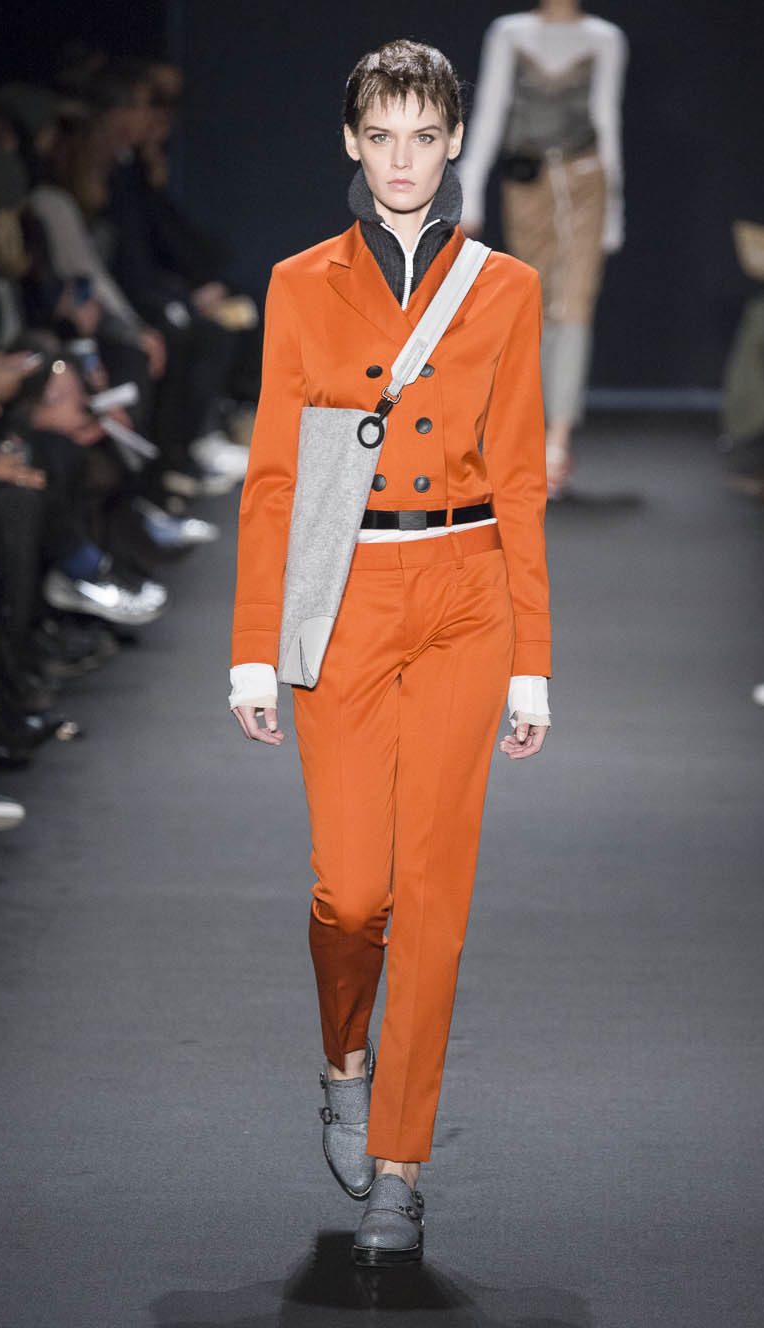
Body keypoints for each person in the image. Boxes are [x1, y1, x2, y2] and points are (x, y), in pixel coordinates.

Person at [230, 39, 551, 1266]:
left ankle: (400, 1165)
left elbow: (518, 477)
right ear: (351, 145)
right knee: (351, 891)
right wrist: (252, 645)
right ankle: (342, 1056)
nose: (403, 160)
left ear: (454, 139)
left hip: (467, 591)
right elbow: (272, 475)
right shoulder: (298, 282)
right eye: (382, 137)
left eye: (424, 136)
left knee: (432, 897)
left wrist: (531, 658)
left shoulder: (503, 287)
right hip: (345, 593)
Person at [458, 0, 628, 495]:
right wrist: (469, 188)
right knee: (531, 303)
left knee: (575, 302)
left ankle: (557, 444)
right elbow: (491, 110)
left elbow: (606, 118)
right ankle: (528, 437)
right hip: (526, 183)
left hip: (587, 180)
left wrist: (615, 208)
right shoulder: (509, 32)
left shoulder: (605, 38)